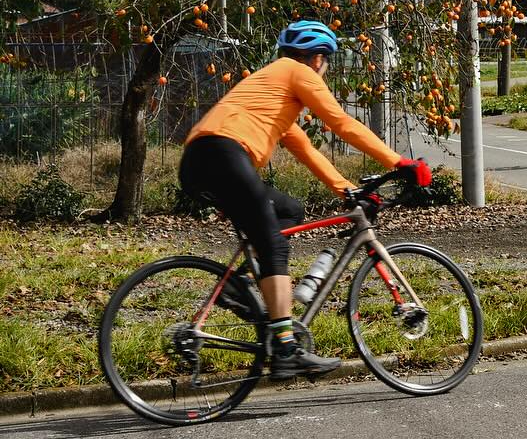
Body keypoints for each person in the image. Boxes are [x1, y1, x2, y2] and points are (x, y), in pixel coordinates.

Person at [179, 20, 431, 381]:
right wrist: (399, 162)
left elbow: (307, 149)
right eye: (325, 65)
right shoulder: (297, 71)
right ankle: (285, 349)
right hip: (223, 155)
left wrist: (346, 190)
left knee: (289, 212)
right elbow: (341, 123)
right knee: (275, 245)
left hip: (201, 163)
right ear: (317, 60)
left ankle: (239, 288)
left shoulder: (273, 90)